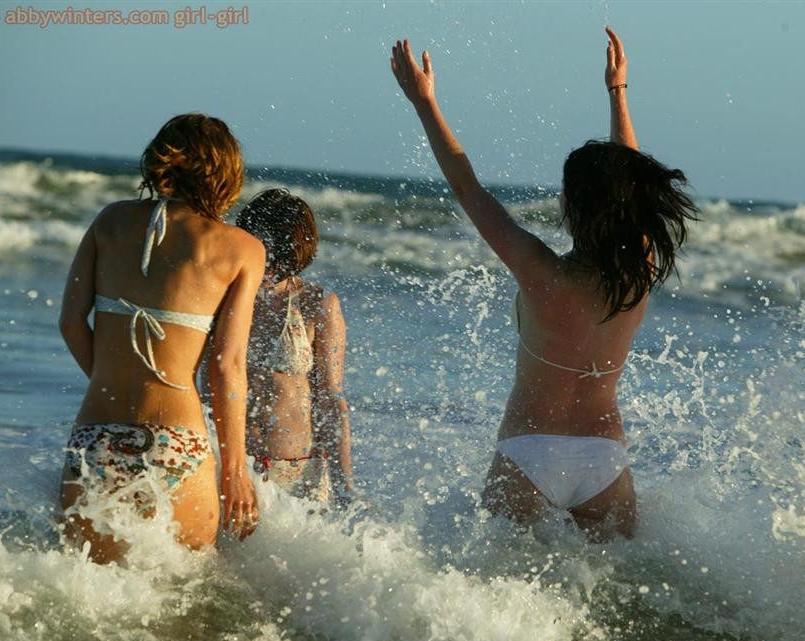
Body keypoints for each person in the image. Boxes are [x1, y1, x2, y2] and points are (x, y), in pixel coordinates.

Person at [390, 28, 697, 540]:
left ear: (573, 207)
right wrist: (618, 94)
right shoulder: (638, 273)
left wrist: (425, 105)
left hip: (530, 452)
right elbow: (631, 185)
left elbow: (468, 188)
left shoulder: (542, 271)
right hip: (605, 457)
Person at [59, 113, 265, 564]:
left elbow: (72, 322)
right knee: (187, 603)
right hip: (179, 441)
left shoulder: (109, 222)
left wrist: (109, 380)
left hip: (96, 435)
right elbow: (226, 365)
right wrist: (235, 472)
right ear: (227, 171)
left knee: (87, 594)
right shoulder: (242, 249)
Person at [235, 189, 355, 505]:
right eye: (261, 249)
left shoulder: (317, 303)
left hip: (296, 473)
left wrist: (345, 484)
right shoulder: (219, 297)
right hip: (228, 465)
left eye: (279, 254)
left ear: (297, 253)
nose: (269, 263)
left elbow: (331, 397)